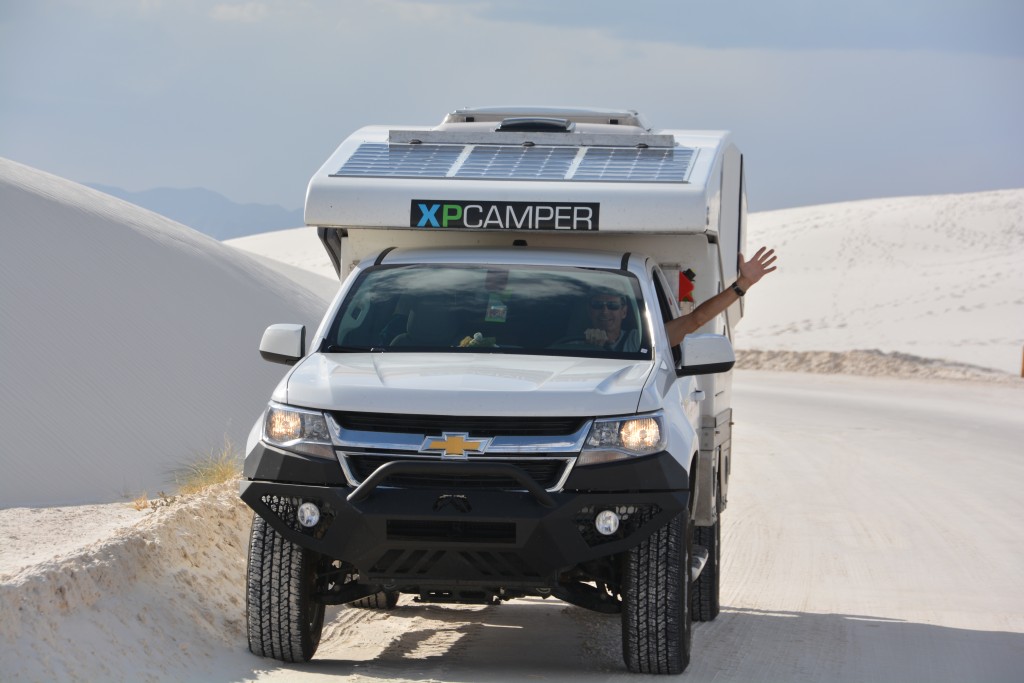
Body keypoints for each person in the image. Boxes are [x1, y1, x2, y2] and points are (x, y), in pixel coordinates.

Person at [665, 246, 777, 346]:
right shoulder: (655, 339)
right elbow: (697, 318)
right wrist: (744, 283)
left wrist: (744, 283)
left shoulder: (654, 337)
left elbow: (698, 318)